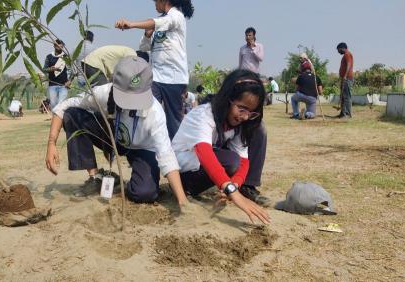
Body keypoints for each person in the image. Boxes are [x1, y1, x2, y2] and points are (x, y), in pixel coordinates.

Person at [45, 56, 188, 206]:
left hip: (143, 150)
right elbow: (63, 106)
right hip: (113, 137)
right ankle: (96, 178)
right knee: (73, 114)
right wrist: (51, 143)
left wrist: (182, 200)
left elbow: (167, 157)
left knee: (145, 193)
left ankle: (121, 184)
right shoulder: (103, 93)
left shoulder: (155, 113)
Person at [172, 69, 270, 224]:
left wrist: (235, 186)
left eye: (251, 113)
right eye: (241, 109)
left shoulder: (238, 123)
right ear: (227, 99)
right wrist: (233, 192)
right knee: (230, 160)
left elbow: (244, 161)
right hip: (182, 171)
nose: (244, 117)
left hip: (202, 167)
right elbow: (205, 154)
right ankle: (187, 189)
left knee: (256, 132)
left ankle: (246, 187)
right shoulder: (203, 115)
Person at [115, 0, 195, 139]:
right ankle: (150, 150)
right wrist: (147, 34)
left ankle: (176, 153)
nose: (154, 4)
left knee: (173, 122)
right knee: (149, 114)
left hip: (174, 78)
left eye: (155, 1)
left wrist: (132, 24)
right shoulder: (157, 21)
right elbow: (144, 47)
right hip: (156, 77)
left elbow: (162, 22)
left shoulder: (176, 16)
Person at [43, 39, 71, 110]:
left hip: (64, 85)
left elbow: (71, 70)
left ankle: (61, 120)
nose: (60, 47)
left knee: (61, 105)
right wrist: (50, 69)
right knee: (53, 105)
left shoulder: (66, 57)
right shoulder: (49, 57)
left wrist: (70, 81)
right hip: (52, 85)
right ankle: (55, 120)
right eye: (58, 45)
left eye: (62, 46)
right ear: (54, 46)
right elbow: (44, 69)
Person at [337, 42, 354, 118]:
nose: (338, 51)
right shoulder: (345, 55)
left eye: (339, 50)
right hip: (344, 78)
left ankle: (347, 114)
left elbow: (349, 65)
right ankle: (343, 113)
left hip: (347, 79)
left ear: (343, 48)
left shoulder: (347, 54)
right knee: (343, 96)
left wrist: (345, 75)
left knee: (347, 97)